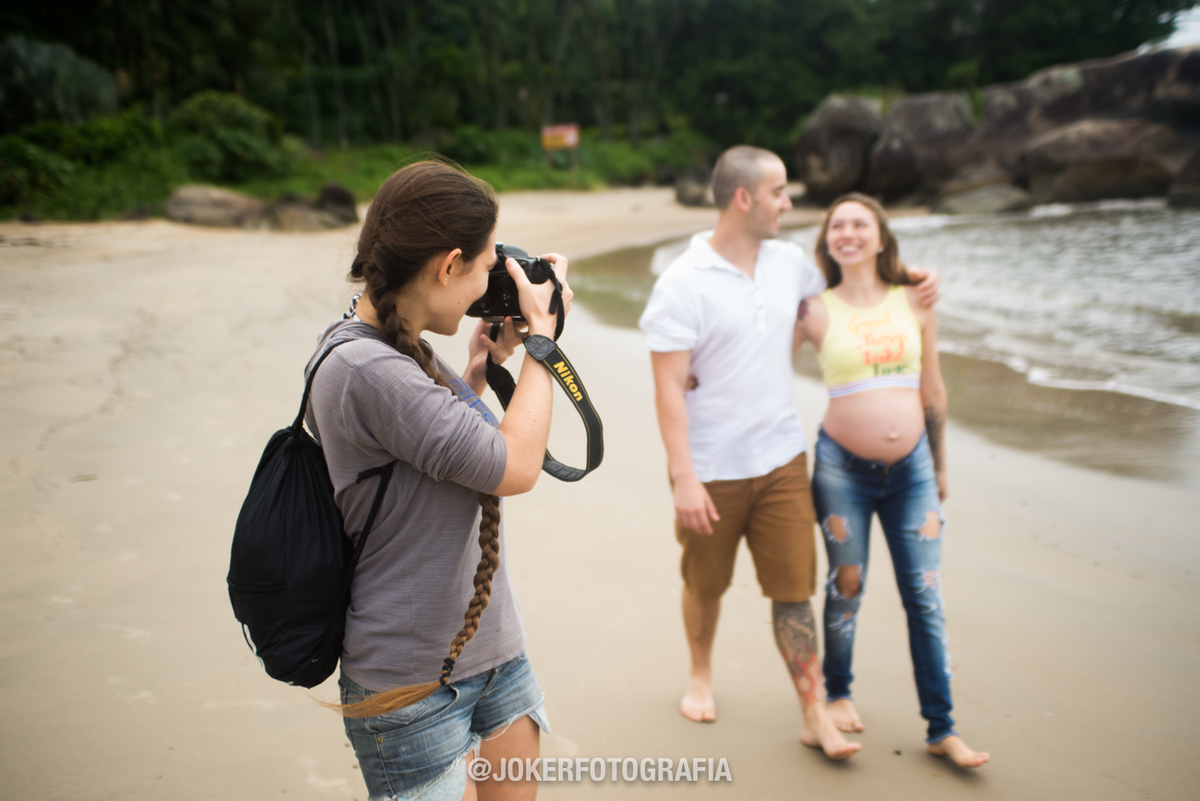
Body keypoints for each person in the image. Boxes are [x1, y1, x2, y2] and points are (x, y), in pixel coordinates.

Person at [638, 146, 939, 760]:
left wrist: (912, 277)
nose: (788, 201)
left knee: (794, 589)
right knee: (706, 583)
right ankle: (701, 673)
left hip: (781, 460)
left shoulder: (792, 264)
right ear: (744, 198)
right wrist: (684, 478)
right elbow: (667, 388)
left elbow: (855, 290)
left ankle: (813, 712)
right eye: (779, 191)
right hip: (711, 468)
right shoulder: (682, 284)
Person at [303, 160, 572, 800]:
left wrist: (478, 368)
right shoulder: (365, 366)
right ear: (448, 266)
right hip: (411, 682)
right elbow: (514, 466)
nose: (489, 284)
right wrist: (544, 340)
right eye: (486, 267)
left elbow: (438, 450)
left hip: (494, 650)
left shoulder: (395, 348)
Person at [793, 192, 989, 768]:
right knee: (846, 585)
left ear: (881, 237)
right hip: (840, 472)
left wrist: (941, 465)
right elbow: (758, 359)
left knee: (925, 595)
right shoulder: (813, 309)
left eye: (861, 224)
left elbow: (933, 389)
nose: (848, 233)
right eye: (837, 226)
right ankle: (838, 693)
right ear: (826, 241)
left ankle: (943, 728)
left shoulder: (915, 299)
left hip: (914, 472)